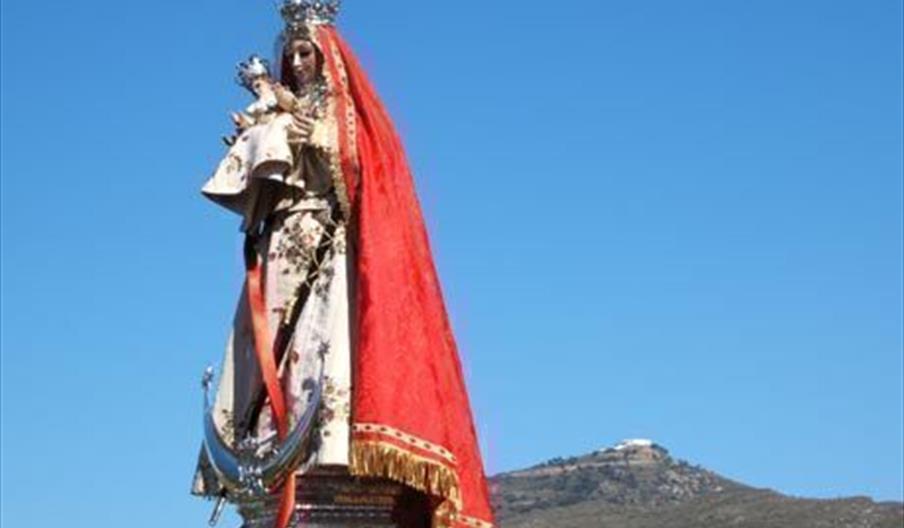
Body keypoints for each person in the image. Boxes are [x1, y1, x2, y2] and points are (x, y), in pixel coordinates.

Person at [193, 3, 495, 528]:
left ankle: (331, 438)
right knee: (271, 339)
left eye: (307, 52)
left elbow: (362, 170)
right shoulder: (284, 108)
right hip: (281, 246)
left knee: (323, 339)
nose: (300, 62)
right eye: (293, 54)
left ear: (327, 56)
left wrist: (312, 138)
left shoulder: (346, 114)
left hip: (326, 249)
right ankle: (266, 432)